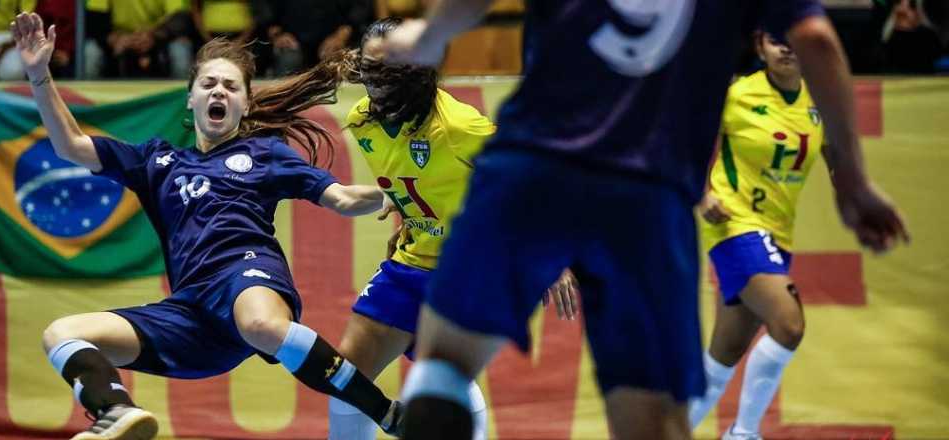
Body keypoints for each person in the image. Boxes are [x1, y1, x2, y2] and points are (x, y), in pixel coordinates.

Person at [377, 1, 910, 439]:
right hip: (646, 198)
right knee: (653, 422)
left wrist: (427, 36)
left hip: (532, 168)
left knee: (444, 365)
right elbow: (816, 40)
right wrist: (856, 184)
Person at [11, 13, 405, 440]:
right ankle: (116, 412)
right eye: (209, 84)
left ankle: (387, 413)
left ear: (246, 104)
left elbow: (342, 198)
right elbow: (70, 145)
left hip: (247, 277)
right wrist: (38, 74)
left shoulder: (265, 154)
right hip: (192, 315)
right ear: (190, 98)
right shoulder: (156, 161)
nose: (219, 90)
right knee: (61, 334)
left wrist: (396, 196)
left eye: (232, 86)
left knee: (261, 325)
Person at [326, 17, 579, 440]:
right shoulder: (362, 121)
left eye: (390, 70)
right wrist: (407, 210)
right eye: (370, 70)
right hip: (411, 266)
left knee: (443, 385)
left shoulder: (459, 126)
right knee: (346, 376)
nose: (377, 83)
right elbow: (418, 181)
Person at [686, 32, 828, 440]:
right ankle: (743, 435)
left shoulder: (819, 101)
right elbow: (676, 142)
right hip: (734, 226)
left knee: (722, 357)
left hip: (777, 236)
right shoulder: (735, 94)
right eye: (774, 39)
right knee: (789, 324)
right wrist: (700, 192)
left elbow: (841, 161)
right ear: (760, 46)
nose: (785, 47)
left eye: (792, 39)